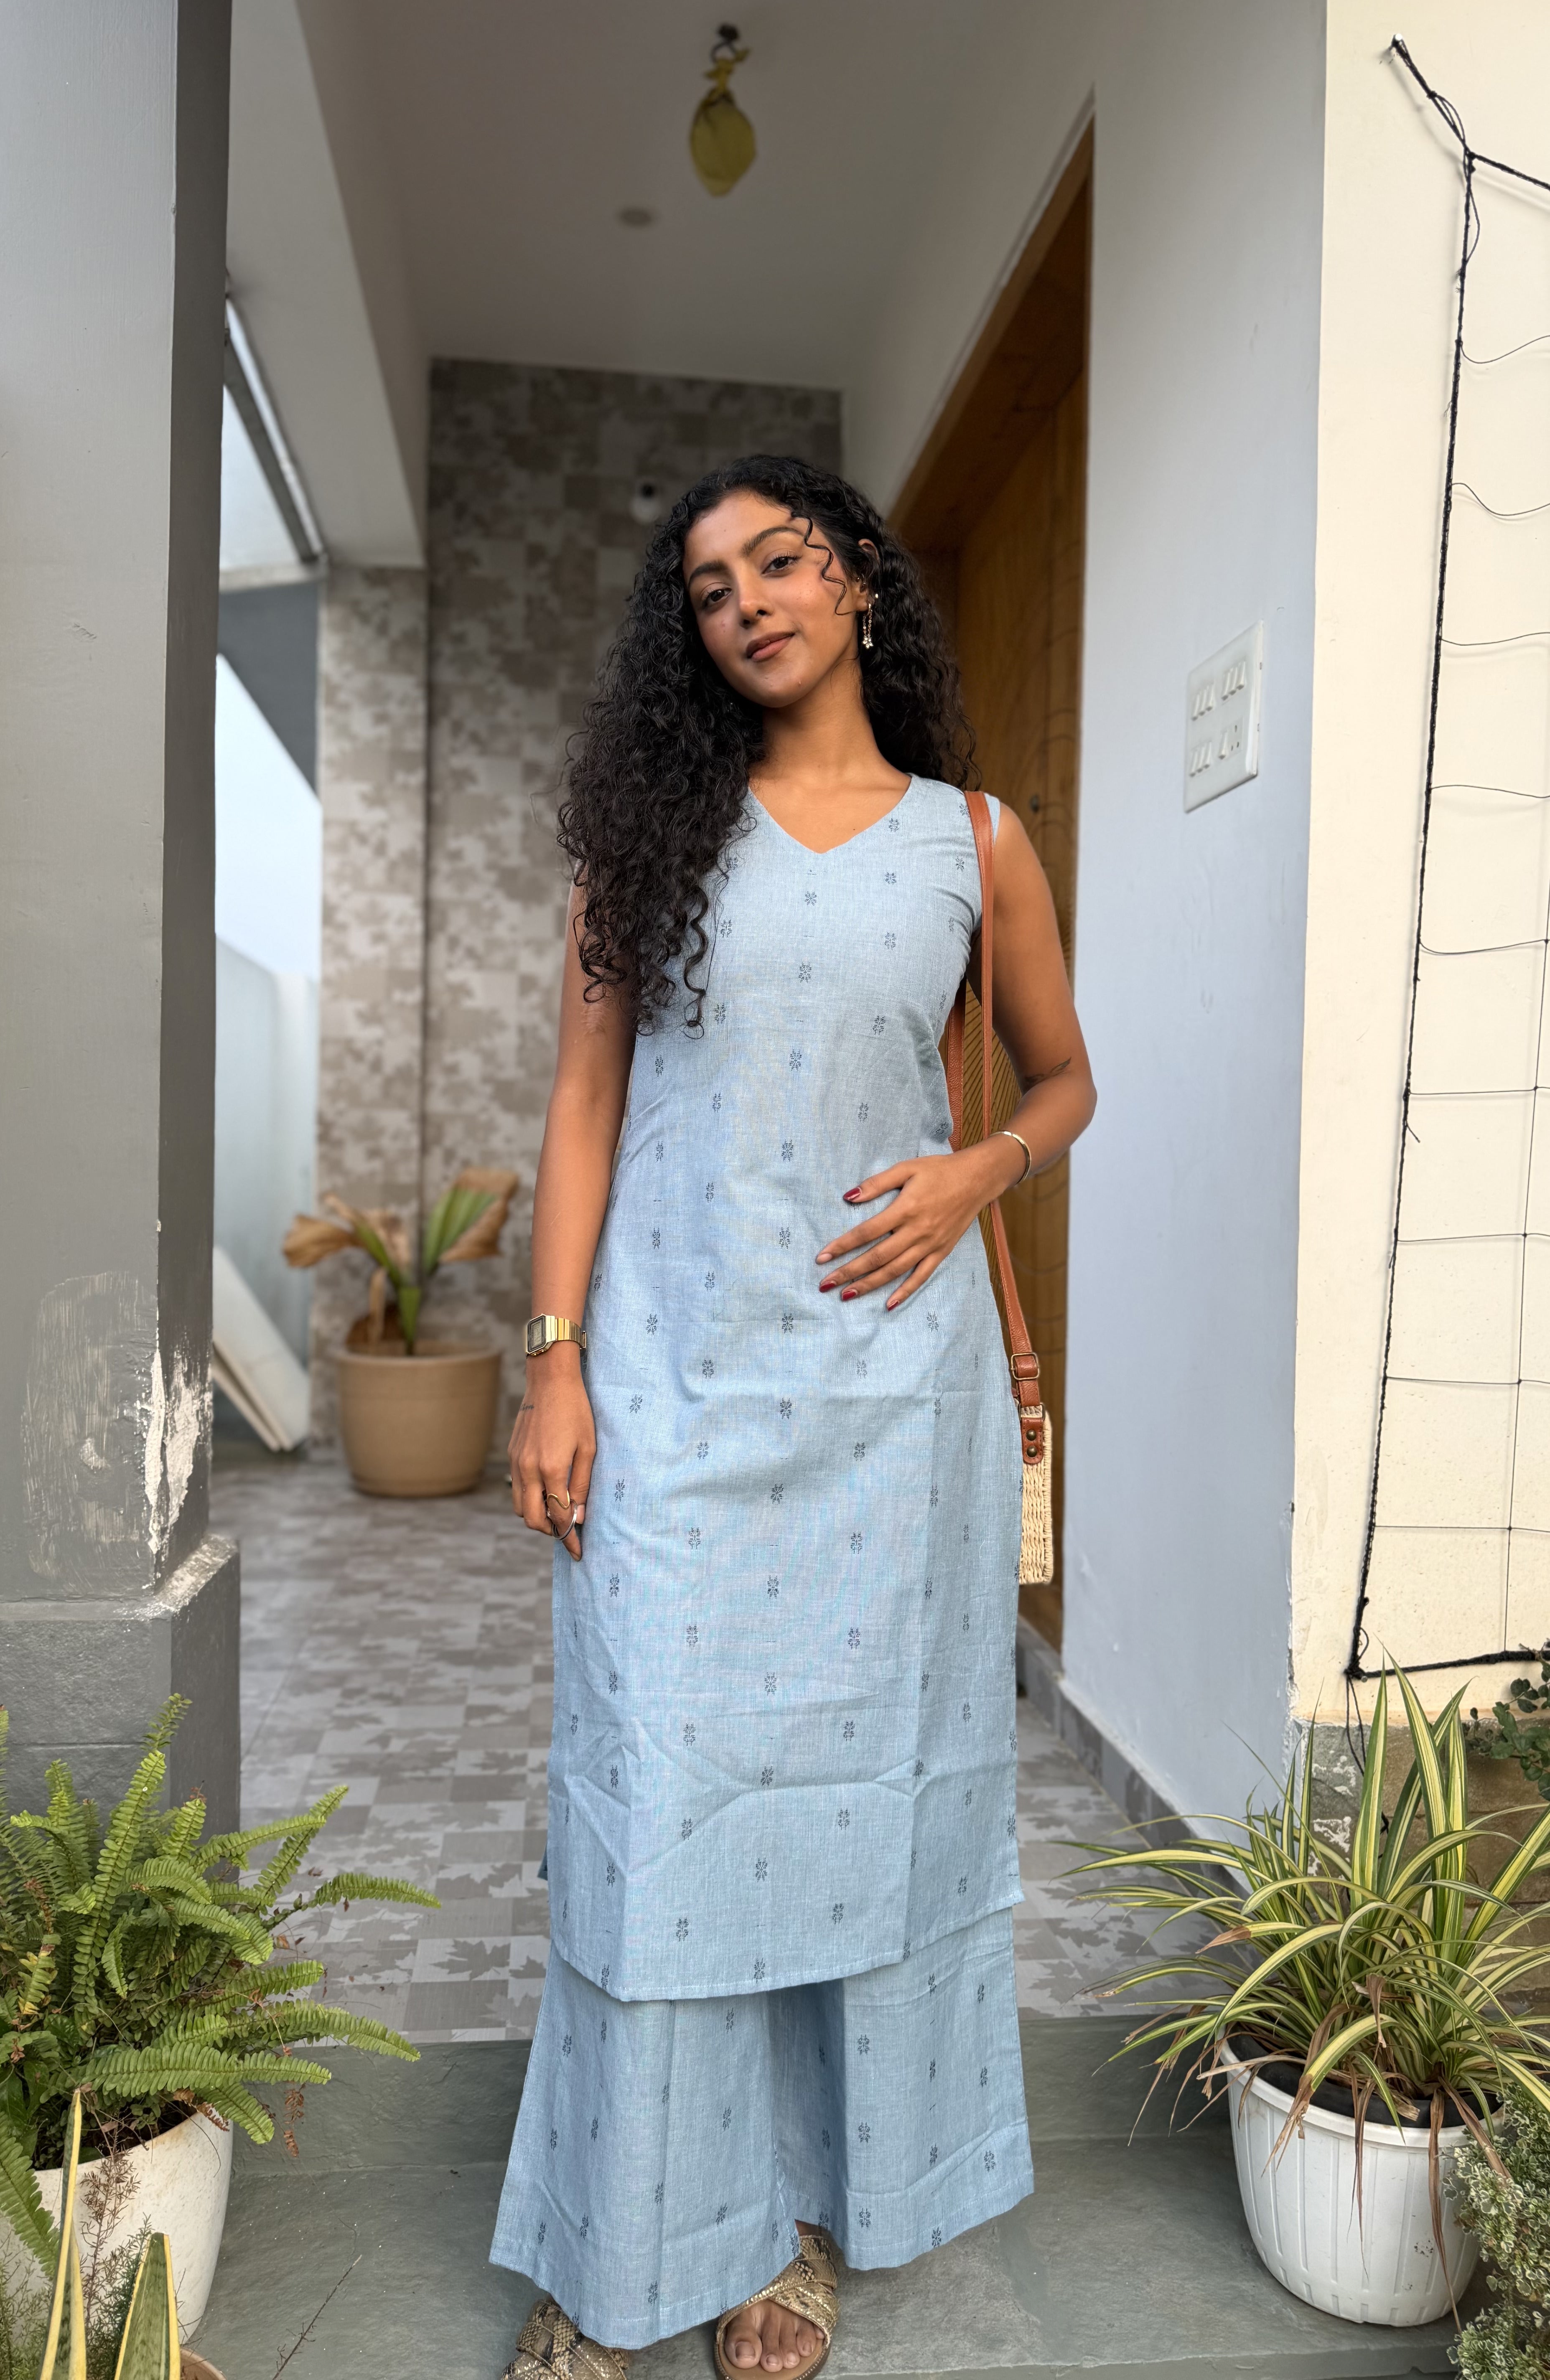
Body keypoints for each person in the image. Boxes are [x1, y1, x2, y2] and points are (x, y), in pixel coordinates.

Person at [490, 455, 1095, 2380]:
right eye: (707, 586)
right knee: (663, 1809)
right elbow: (583, 1104)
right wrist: (555, 1360)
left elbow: (1059, 1081)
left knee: (854, 1821)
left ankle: (791, 2231)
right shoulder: (650, 839)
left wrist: (981, 1172)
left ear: (855, 582)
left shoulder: (973, 843)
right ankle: (618, 2250)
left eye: (778, 560)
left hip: (891, 1412)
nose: (745, 599)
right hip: (671, 1389)